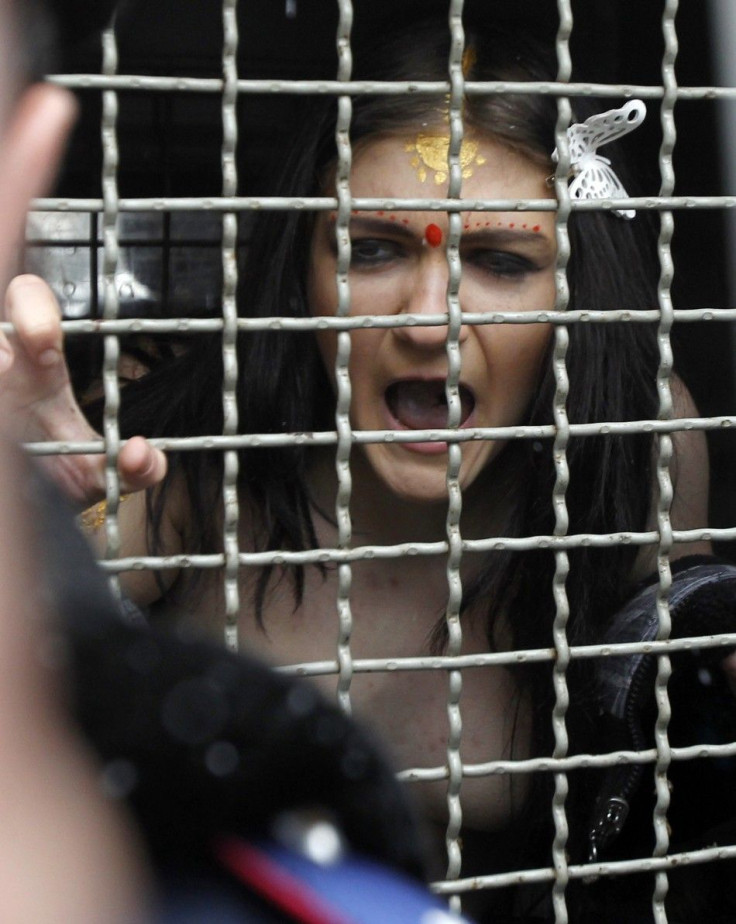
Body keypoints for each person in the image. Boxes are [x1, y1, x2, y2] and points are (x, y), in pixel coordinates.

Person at [3, 8, 735, 922]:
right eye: (373, 249)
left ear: (576, 294)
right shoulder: (194, 457)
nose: (430, 320)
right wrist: (31, 518)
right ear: (299, 262)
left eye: (502, 260)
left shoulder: (639, 442)